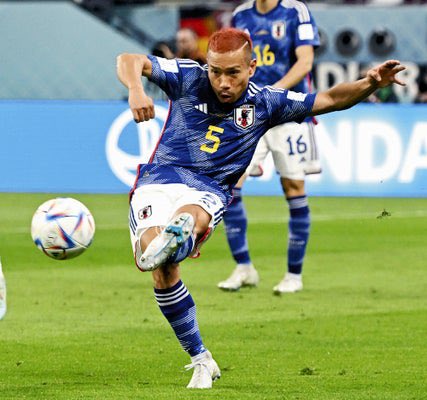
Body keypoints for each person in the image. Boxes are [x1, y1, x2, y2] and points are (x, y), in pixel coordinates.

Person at [116, 27, 405, 389]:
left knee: (187, 221)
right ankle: (201, 356)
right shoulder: (188, 76)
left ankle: (181, 236)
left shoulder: (266, 102)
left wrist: (370, 82)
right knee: (156, 266)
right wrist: (136, 89)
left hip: (208, 189)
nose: (222, 82)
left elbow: (329, 99)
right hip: (159, 180)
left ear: (251, 68)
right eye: (215, 72)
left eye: (233, 73)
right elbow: (129, 60)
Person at [217, 0, 321, 294]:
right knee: (230, 184)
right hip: (249, 113)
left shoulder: (295, 11)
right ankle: (244, 267)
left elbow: (305, 62)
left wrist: (273, 92)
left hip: (290, 110)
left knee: (293, 187)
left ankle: (293, 275)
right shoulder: (240, 15)